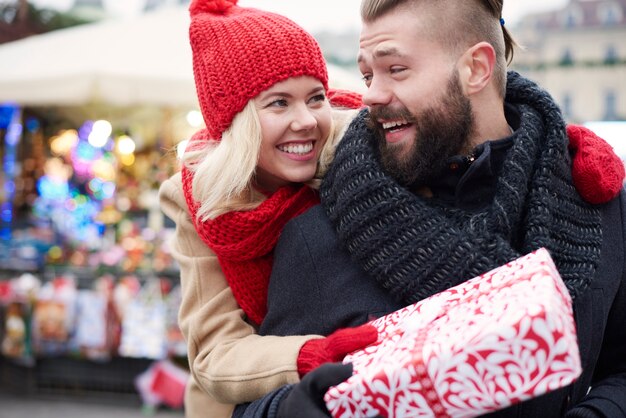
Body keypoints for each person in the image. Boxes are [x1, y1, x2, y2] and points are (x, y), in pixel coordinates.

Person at [231, 0, 626, 417]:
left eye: (395, 69)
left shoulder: (595, 202)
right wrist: (292, 409)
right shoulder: (315, 234)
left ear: (476, 68)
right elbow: (250, 405)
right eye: (367, 74)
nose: (371, 95)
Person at [158, 1, 380, 417]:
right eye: (279, 103)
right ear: (238, 120)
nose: (307, 121)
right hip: (253, 399)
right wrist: (308, 353)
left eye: (316, 97)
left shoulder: (359, 156)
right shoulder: (201, 201)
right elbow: (215, 351)